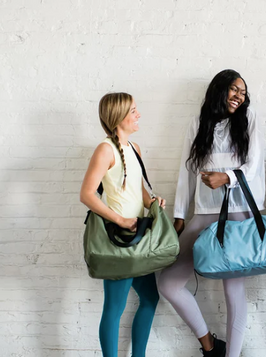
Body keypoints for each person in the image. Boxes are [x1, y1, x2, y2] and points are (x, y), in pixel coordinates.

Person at [157, 69, 265, 357]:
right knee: (168, 283)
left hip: (239, 215)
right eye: (233, 90)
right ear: (219, 90)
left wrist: (226, 177)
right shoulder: (198, 124)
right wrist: (180, 215)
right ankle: (209, 345)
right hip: (205, 214)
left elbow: (252, 166)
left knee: (233, 291)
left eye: (243, 92)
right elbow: (186, 171)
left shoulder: (249, 120)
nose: (239, 97)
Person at [80, 93, 165, 357]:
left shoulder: (135, 148)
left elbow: (137, 189)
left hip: (138, 236)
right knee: (114, 309)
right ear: (119, 116)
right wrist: (120, 220)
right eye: (134, 111)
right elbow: (87, 194)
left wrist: (152, 201)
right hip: (119, 239)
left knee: (150, 298)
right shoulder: (105, 149)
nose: (139, 115)